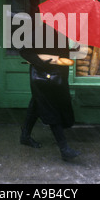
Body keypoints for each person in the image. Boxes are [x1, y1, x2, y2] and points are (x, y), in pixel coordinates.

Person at [19, 18, 80, 161]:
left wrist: (73, 50)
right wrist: (44, 63)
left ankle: (24, 136)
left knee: (37, 104)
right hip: (43, 78)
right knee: (51, 108)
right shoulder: (41, 31)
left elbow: (59, 53)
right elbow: (24, 51)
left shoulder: (62, 32)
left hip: (56, 77)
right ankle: (64, 149)